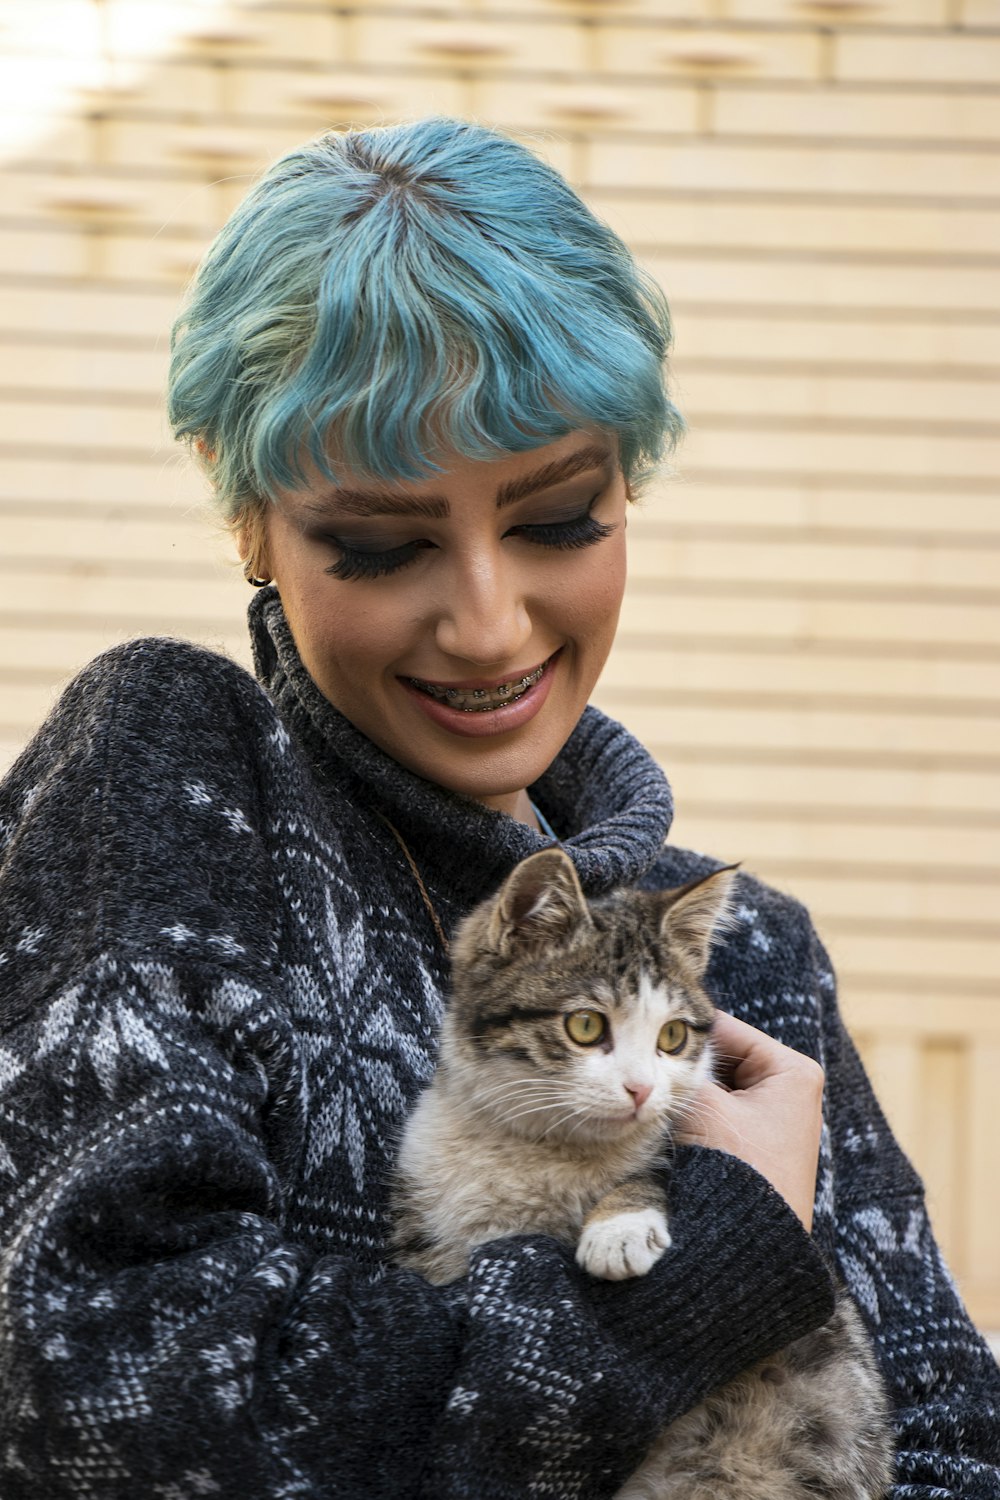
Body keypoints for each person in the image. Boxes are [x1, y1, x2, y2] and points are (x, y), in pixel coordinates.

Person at [0, 117, 995, 1500]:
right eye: (382, 542)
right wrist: (706, 1262)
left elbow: (953, 1444)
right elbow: (105, 1389)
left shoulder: (748, 952)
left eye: (559, 520)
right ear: (253, 529)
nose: (486, 621)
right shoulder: (179, 778)